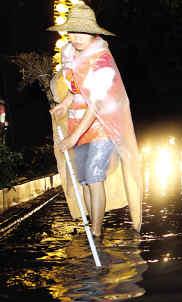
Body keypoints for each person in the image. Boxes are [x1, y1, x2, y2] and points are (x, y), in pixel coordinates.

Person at [47, 3, 142, 236]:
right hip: (75, 122)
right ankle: (90, 226)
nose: (76, 37)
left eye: (82, 32)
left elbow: (95, 105)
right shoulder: (69, 54)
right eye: (72, 31)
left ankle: (97, 233)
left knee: (93, 175)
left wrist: (73, 137)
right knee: (84, 180)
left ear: (93, 33)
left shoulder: (102, 62)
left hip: (100, 125)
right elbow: (75, 90)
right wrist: (64, 105)